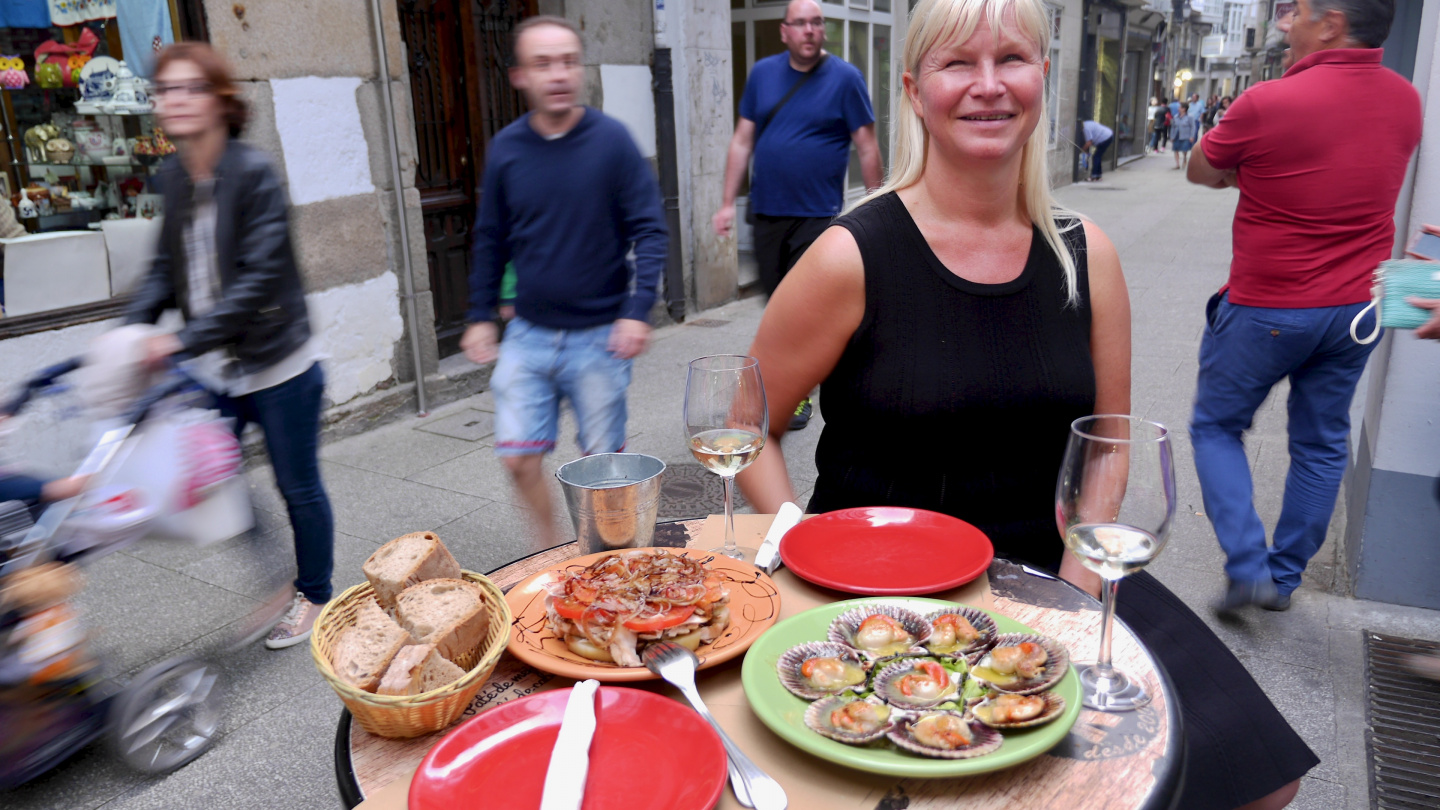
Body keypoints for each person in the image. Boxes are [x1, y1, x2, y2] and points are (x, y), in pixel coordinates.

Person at [736, 1, 1316, 807]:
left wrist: (1075, 598)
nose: (987, 86)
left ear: (1043, 77)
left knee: (1259, 777)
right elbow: (748, 427)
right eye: (956, 64)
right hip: (882, 592)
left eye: (1010, 59)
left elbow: (1107, 442)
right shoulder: (849, 255)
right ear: (914, 90)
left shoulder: (1086, 253)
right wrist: (802, 543)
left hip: (1052, 568)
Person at [1186, 0, 1422, 612]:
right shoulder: (1407, 100)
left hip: (1269, 306)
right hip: (1358, 310)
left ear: (1333, 23)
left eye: (1299, 12)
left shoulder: (1266, 102)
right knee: (1321, 444)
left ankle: (1247, 567)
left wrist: (1250, 176)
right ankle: (1284, 579)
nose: (1286, 24)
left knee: (1216, 427)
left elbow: (1198, 171)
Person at [124, 42, 335, 649]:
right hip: (217, 367)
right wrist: (131, 332)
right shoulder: (173, 175)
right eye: (165, 90)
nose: (175, 100)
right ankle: (275, 582)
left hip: (280, 363)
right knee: (213, 476)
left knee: (297, 487)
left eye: (189, 88)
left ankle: (314, 594)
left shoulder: (253, 172)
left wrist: (179, 341)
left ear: (220, 100)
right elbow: (165, 270)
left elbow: (258, 278)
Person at [461, 16, 666, 550]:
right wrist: (481, 313)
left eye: (569, 61)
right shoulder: (507, 149)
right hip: (528, 335)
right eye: (543, 63)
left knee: (604, 470)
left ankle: (607, 557)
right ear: (519, 77)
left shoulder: (612, 142)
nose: (558, 74)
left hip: (600, 335)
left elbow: (649, 228)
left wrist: (637, 309)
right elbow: (491, 238)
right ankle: (555, 549)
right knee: (518, 458)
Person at [713, 0, 882, 430]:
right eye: (800, 23)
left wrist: (879, 206)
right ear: (784, 31)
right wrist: (726, 202)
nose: (809, 30)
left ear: (822, 31)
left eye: (816, 22)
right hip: (768, 210)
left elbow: (866, 144)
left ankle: (797, 392)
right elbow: (741, 140)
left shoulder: (846, 78)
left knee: (800, 305)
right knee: (776, 304)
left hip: (816, 213)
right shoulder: (763, 75)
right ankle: (797, 372)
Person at [1170, 101, 1199, 169]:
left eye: (1180, 107)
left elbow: (1193, 127)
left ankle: (1185, 158)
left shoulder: (1190, 117)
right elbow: (1173, 127)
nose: (1178, 108)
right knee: (1175, 149)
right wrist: (1171, 136)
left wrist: (1192, 136)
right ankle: (1177, 164)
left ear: (1184, 109)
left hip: (1185, 135)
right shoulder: (1176, 116)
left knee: (1184, 149)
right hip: (1176, 135)